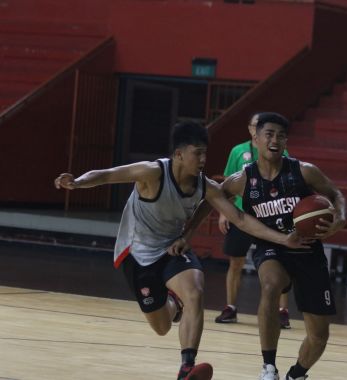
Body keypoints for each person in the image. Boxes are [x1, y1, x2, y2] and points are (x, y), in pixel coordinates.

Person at [53, 121, 309, 380]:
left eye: (204, 153)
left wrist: (282, 238)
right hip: (136, 253)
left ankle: (187, 367)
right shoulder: (152, 172)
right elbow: (106, 175)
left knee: (196, 291)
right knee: (162, 326)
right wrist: (76, 182)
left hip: (171, 247)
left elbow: (240, 219)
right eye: (197, 153)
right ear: (178, 154)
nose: (203, 159)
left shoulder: (205, 185)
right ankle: (173, 304)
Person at [222, 112, 347, 380]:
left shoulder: (304, 171)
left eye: (280, 135)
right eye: (269, 134)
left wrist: (340, 217)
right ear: (255, 138)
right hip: (271, 247)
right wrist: (185, 234)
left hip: (307, 250)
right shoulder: (243, 178)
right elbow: (213, 197)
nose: (275, 140)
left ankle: (296, 374)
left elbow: (336, 194)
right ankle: (269, 367)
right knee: (270, 284)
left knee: (320, 335)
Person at [215, 113, 291, 329]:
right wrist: (223, 213)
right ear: (251, 130)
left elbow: (288, 183)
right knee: (235, 262)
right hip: (241, 215)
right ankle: (230, 307)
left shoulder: (281, 151)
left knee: (280, 264)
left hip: (270, 215)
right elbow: (226, 186)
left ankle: (282, 311)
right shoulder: (238, 151)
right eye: (256, 126)